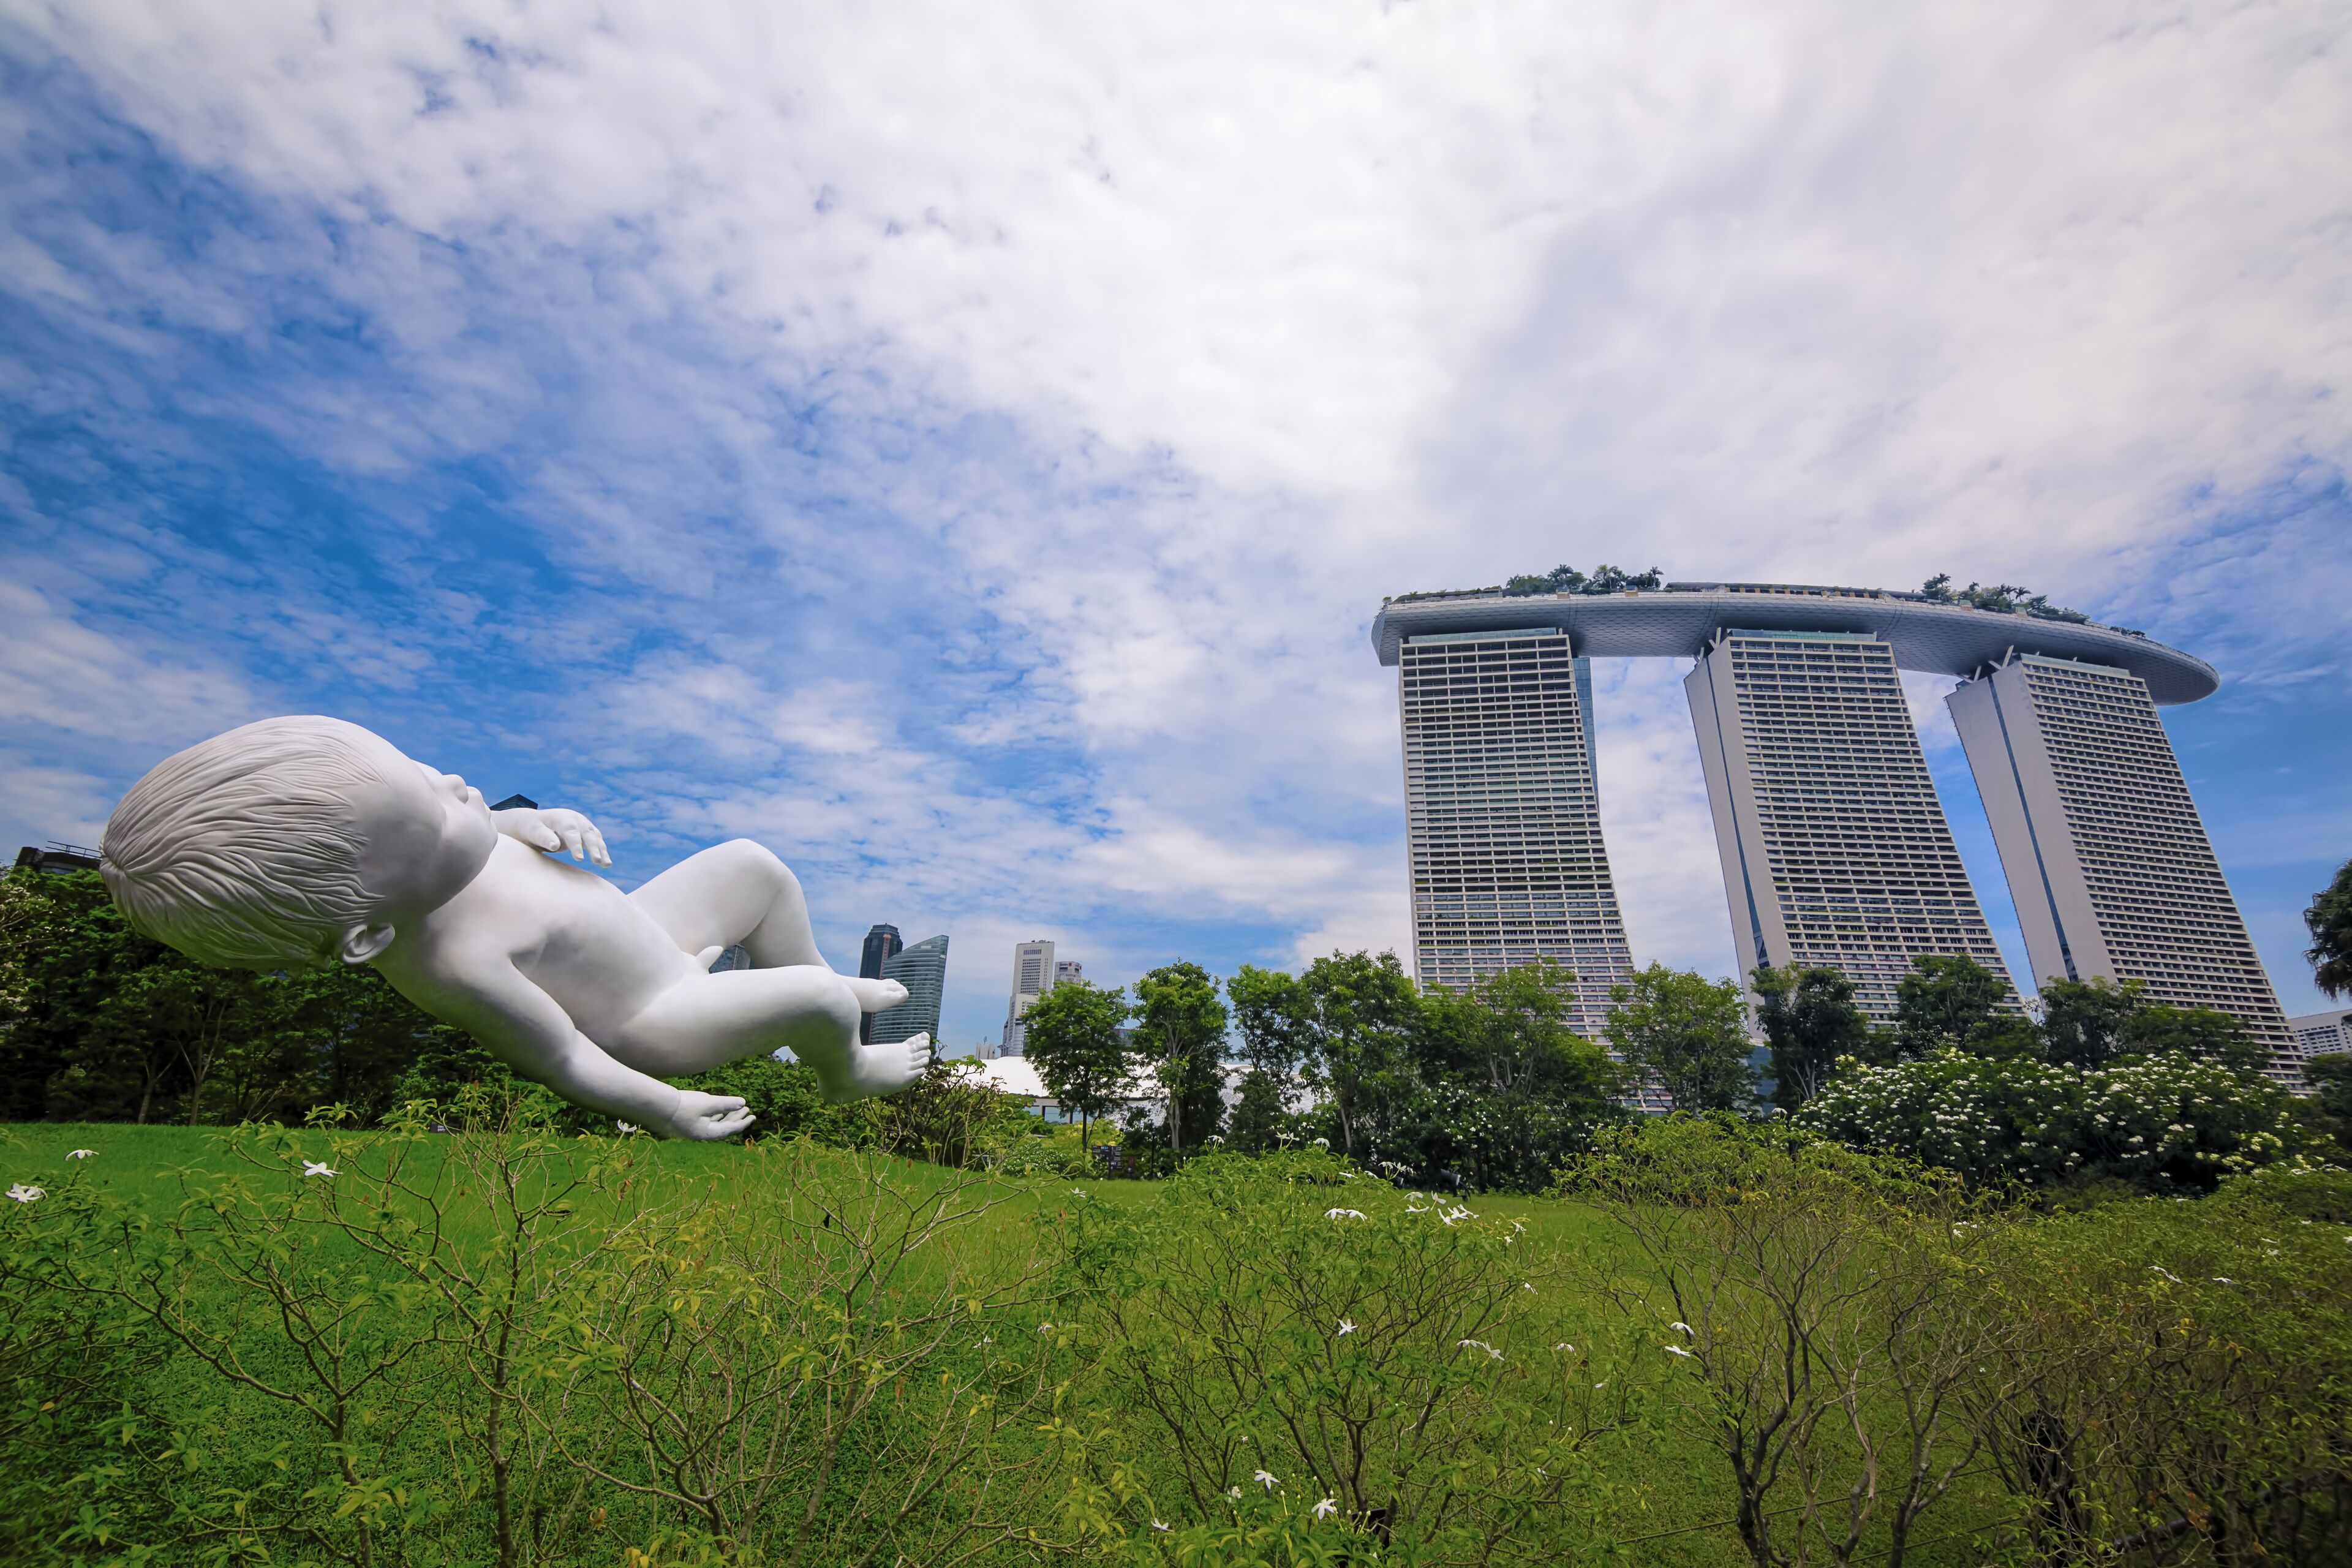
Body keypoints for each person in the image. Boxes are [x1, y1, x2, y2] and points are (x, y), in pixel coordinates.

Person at [100, 715, 925, 1139]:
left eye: (424, 775)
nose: (456, 785)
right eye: (431, 808)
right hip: (656, 1017)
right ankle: (845, 1064)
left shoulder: (447, 847)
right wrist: (664, 1108)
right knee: (817, 999)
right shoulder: (453, 962)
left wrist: (534, 821)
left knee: (755, 866)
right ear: (366, 937)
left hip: (651, 935)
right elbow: (563, 1055)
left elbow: (480, 829)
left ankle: (812, 978)